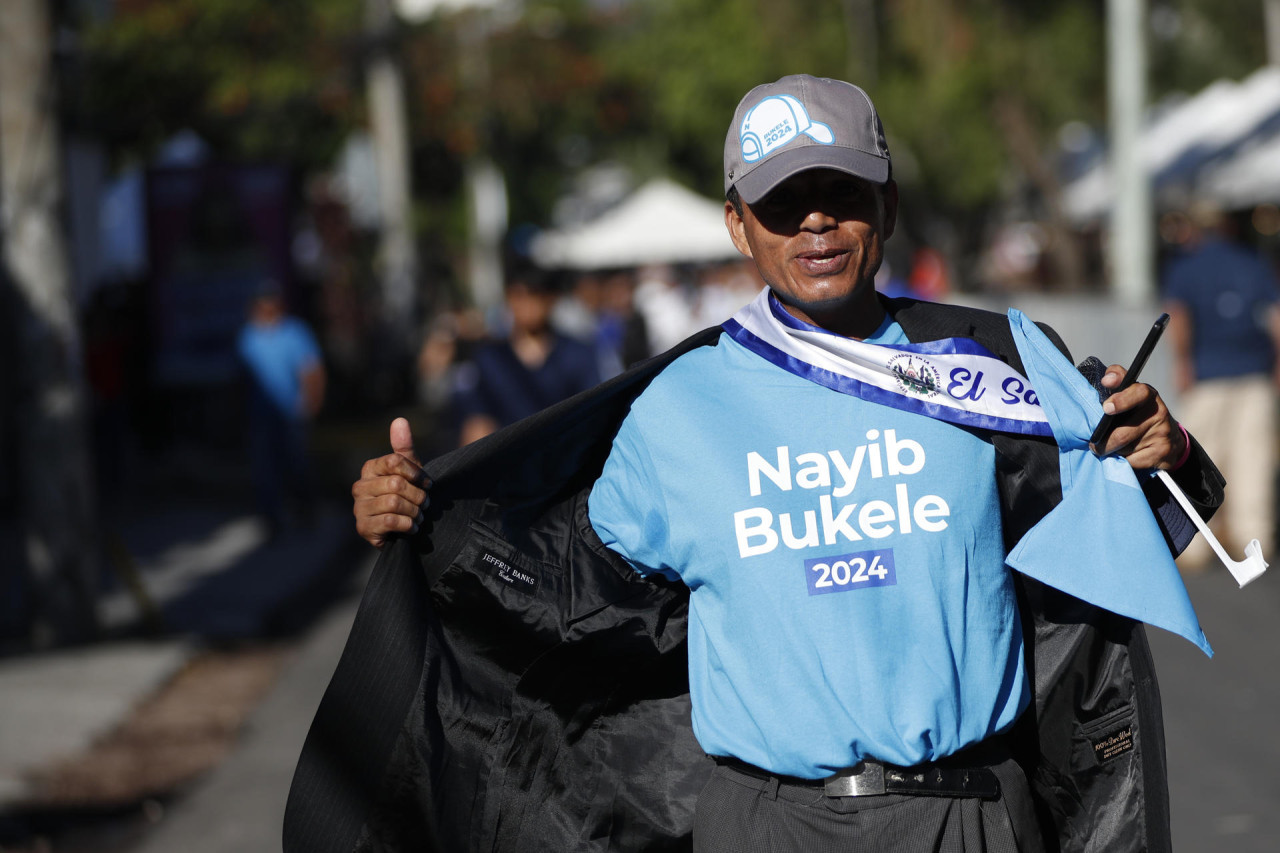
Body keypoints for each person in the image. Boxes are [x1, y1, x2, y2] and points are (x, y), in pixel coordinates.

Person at [289, 76, 1223, 853]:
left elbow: (1127, 547)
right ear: (740, 226)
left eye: (843, 194)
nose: (815, 223)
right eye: (782, 204)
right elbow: (555, 593)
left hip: (971, 814)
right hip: (770, 823)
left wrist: (1163, 449)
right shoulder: (678, 411)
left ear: (886, 206)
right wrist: (425, 516)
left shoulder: (998, 366)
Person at [1162, 201, 1280, 569]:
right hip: (1253, 370)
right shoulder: (1253, 262)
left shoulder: (1186, 266)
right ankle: (1255, 540)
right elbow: (1276, 318)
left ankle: (1195, 545)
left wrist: (1182, 363)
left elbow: (1179, 319)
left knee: (1198, 459)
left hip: (1207, 373)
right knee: (1253, 458)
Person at [451, 269, 602, 446]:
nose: (527, 304)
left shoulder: (577, 353)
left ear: (552, 299)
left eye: (535, 295)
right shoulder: (490, 358)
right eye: (518, 296)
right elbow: (477, 422)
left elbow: (593, 414)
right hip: (505, 459)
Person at [236, 283, 325, 531]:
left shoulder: (294, 332)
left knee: (298, 466)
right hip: (261, 417)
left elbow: (312, 370)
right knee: (264, 470)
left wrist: (311, 403)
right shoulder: (248, 337)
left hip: (291, 415)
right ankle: (271, 521)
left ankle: (305, 515)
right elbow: (242, 377)